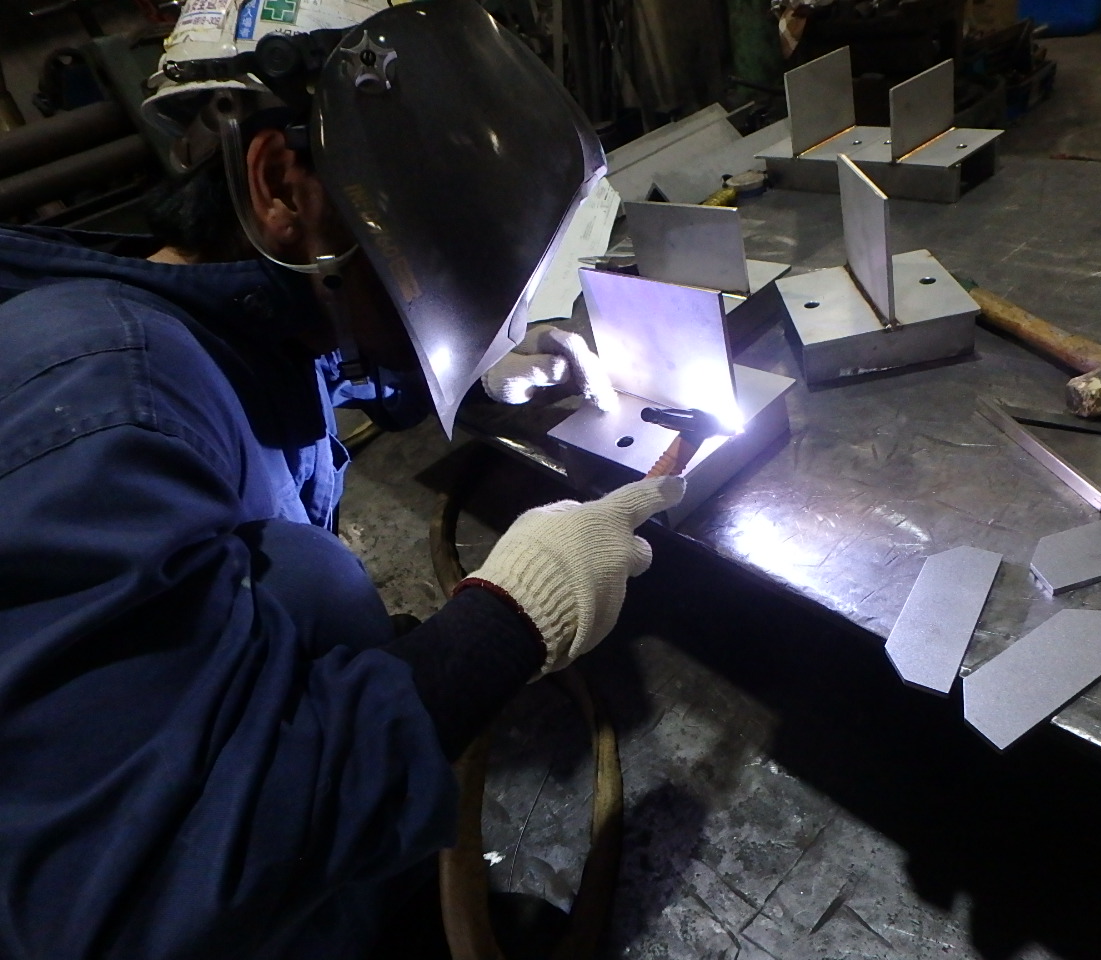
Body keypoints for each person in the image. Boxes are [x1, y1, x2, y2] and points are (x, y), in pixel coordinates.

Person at [0, 1, 683, 956]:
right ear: (282, 183)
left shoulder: (239, 326)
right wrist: (503, 624)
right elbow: (133, 897)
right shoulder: (108, 411)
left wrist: (496, 365)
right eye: (440, 254)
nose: (453, 291)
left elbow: (327, 366)